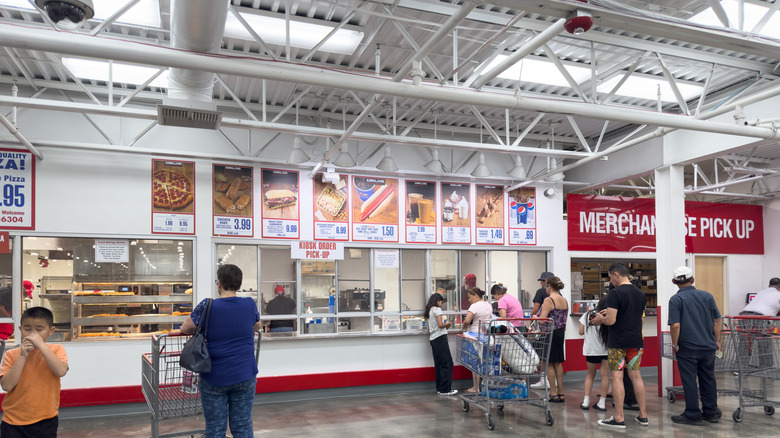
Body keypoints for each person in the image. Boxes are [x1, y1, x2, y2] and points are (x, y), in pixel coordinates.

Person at [181, 264, 261, 438]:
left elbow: (185, 327)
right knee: (242, 423)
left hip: (215, 376)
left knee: (216, 427)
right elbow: (258, 325)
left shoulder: (207, 306)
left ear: (219, 284)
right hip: (245, 374)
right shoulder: (249, 303)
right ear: (239, 285)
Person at [592, 263, 648, 429]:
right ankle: (643, 416)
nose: (611, 280)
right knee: (636, 377)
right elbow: (632, 315)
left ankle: (618, 418)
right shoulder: (640, 294)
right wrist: (607, 314)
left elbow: (611, 321)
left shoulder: (615, 294)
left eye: (610, 277)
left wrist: (599, 320)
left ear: (616, 274)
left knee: (617, 377)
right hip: (636, 341)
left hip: (618, 343)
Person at [0, 307, 69, 438]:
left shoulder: (56, 350)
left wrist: (41, 345)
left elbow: (60, 371)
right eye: (27, 329)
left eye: (39, 330)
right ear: (20, 330)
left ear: (51, 331)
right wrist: (22, 356)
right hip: (12, 421)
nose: (32, 335)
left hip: (46, 420)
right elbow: (6, 386)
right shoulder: (11, 354)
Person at [667, 265, 722, 426]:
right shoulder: (707, 296)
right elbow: (716, 321)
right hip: (708, 347)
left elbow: (675, 325)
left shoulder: (676, 300)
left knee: (690, 381)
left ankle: (692, 414)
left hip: (687, 348)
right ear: (692, 280)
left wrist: (675, 344)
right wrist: (716, 341)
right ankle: (711, 412)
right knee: (708, 379)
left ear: (674, 281)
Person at [539, 276, 568, 403]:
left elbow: (543, 319)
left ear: (549, 286)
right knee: (558, 363)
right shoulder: (564, 300)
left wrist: (535, 316)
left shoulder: (548, 300)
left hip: (549, 333)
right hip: (560, 333)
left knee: (548, 363)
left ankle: (553, 393)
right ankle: (561, 392)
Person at [579, 297, 609, 411]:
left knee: (590, 375)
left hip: (591, 350)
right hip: (606, 349)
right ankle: (602, 402)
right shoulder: (608, 316)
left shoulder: (587, 314)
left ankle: (586, 402)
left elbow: (581, 332)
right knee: (605, 375)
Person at [424, 293, 457, 396]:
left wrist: (445, 326)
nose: (441, 304)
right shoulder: (437, 309)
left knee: (439, 364)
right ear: (437, 300)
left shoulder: (429, 310)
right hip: (440, 339)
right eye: (441, 301)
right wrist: (447, 323)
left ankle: (440, 388)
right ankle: (445, 389)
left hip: (433, 339)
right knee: (447, 363)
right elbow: (441, 324)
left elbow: (434, 327)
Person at [462, 287, 492, 393]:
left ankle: (476, 387)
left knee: (475, 363)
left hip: (474, 336)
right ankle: (485, 386)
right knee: (485, 362)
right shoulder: (488, 305)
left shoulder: (474, 306)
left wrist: (464, 325)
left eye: (470, 297)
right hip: (486, 336)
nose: (469, 300)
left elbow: (467, 320)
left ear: (475, 295)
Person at [530, 271, 554, 389]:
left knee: (542, 354)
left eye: (543, 281)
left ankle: (544, 379)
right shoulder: (559, 295)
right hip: (555, 328)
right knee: (553, 357)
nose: (541, 283)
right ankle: (551, 382)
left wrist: (531, 320)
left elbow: (535, 308)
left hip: (542, 328)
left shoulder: (541, 292)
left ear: (547, 282)